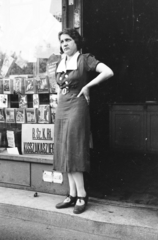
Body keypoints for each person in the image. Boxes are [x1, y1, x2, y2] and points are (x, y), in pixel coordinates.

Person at [53, 28, 114, 214]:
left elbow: (108, 72)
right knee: (64, 149)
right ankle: (71, 194)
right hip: (62, 107)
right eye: (62, 41)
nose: (64, 44)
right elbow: (58, 88)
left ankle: (82, 194)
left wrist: (88, 86)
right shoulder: (60, 62)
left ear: (76, 42)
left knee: (74, 149)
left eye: (68, 40)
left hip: (77, 106)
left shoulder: (84, 59)